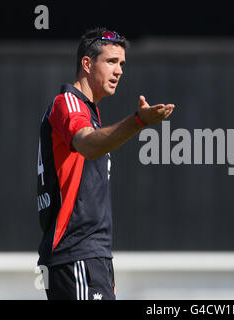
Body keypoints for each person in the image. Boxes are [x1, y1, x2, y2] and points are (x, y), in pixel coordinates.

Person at [36, 27, 175, 300]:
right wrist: (139, 121)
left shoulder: (89, 111)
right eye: (111, 61)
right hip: (76, 253)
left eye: (122, 63)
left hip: (88, 256)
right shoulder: (69, 102)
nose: (119, 70)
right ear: (87, 64)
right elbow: (88, 144)